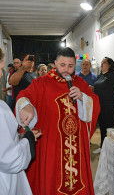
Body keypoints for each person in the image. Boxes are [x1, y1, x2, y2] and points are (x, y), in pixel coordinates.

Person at [16, 47, 100, 195]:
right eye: (62, 65)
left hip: (76, 144)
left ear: (75, 65)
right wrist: (27, 105)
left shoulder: (80, 83)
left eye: (70, 66)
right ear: (55, 63)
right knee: (52, 179)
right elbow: (24, 95)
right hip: (52, 143)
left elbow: (95, 103)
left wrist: (82, 97)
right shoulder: (42, 82)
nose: (66, 70)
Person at [0, 48, 41, 195]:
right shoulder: (20, 73)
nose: (0, 74)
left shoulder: (34, 75)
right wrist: (28, 141)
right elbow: (11, 159)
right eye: (0, 69)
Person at [93, 57, 114, 154]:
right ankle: (102, 146)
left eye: (104, 62)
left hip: (110, 104)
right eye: (101, 62)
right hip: (100, 105)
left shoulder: (112, 75)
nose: (101, 64)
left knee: (109, 127)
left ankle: (110, 149)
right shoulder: (100, 76)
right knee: (102, 126)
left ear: (109, 65)